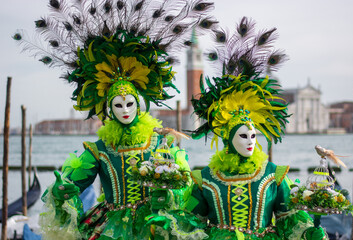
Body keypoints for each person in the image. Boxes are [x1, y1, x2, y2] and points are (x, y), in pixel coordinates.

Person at [14, 0, 216, 239]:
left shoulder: (160, 144)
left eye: (130, 104)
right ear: (109, 108)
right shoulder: (99, 150)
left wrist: (169, 196)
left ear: (139, 104)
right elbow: (74, 183)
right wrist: (62, 190)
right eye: (118, 105)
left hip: (153, 225)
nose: (125, 110)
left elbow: (184, 185)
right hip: (110, 228)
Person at [148, 17, 327, 240]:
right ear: (228, 138)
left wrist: (311, 230)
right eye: (243, 136)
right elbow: (190, 220)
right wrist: (165, 215)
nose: (251, 141)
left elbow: (290, 221)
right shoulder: (205, 179)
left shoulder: (274, 176)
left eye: (253, 135)